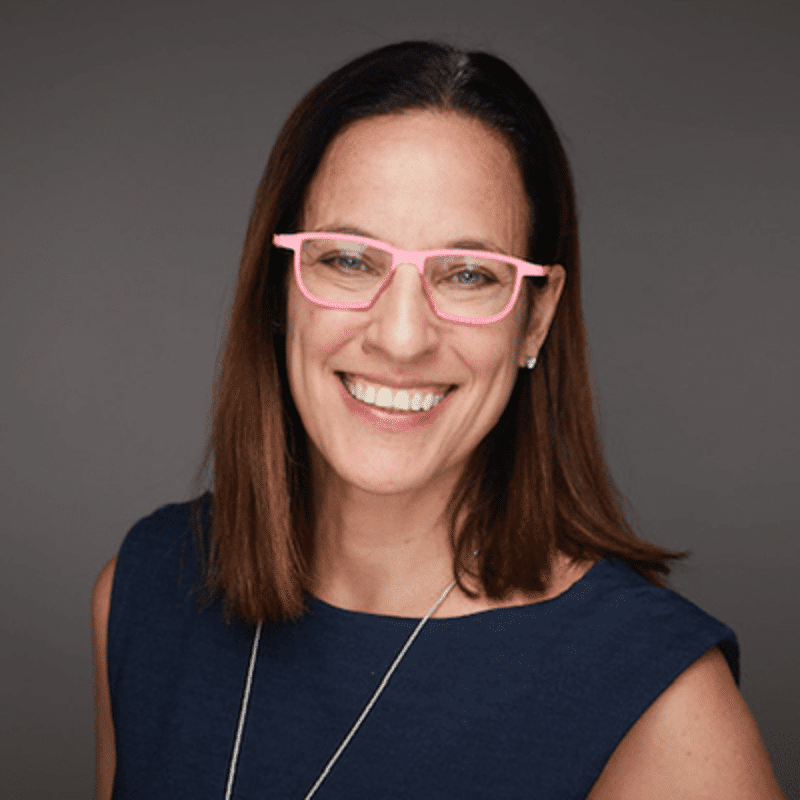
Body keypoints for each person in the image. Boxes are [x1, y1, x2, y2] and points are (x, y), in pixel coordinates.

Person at [91, 40, 786, 800]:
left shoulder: (666, 706)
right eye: (350, 259)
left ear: (535, 320)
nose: (400, 337)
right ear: (280, 284)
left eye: (466, 275)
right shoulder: (145, 589)